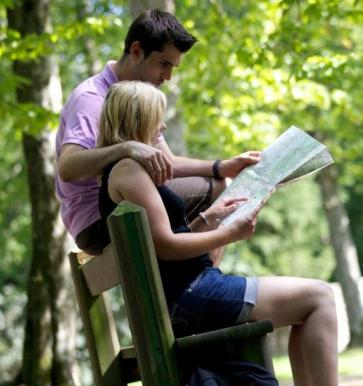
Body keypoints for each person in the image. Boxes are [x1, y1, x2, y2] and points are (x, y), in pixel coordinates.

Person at [96, 80, 363, 386]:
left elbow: (160, 243)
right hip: (192, 295)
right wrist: (229, 234)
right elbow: (167, 246)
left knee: (307, 306)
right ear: (137, 119)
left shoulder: (124, 171)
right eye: (158, 117)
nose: (163, 126)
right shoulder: (129, 171)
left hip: (186, 292)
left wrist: (210, 217)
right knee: (319, 297)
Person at [55, 9, 259, 256]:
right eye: (163, 64)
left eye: (173, 68)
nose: (168, 77)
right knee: (220, 190)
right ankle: (199, 285)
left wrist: (221, 166)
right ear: (136, 51)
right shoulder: (92, 98)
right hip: (98, 220)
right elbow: (67, 168)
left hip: (130, 199)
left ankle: (194, 279)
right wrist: (127, 147)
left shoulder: (140, 96)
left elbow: (168, 163)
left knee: (224, 183)